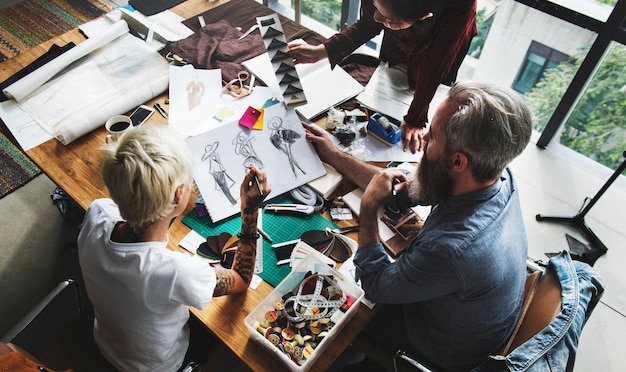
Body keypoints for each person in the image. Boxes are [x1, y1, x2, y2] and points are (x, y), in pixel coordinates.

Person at [303, 81, 532, 371]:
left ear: (458, 162)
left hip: (440, 350)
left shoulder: (451, 249)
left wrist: (369, 206)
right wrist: (335, 155)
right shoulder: (497, 175)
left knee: (336, 306)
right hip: (475, 317)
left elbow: (373, 285)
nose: (422, 138)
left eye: (433, 136)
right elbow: (409, 189)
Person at [77, 125, 270, 372]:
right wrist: (250, 210)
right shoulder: (176, 271)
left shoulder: (98, 213)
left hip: (107, 345)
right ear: (179, 196)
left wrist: (168, 152)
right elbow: (241, 280)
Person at [288, 0, 478, 154]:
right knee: (390, 71)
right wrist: (321, 52)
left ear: (424, 16)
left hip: (441, 40)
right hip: (401, 17)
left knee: (432, 87)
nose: (377, 17)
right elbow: (369, 23)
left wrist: (415, 118)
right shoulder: (389, 11)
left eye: (387, 19)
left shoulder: (460, 6)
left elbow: (435, 64)